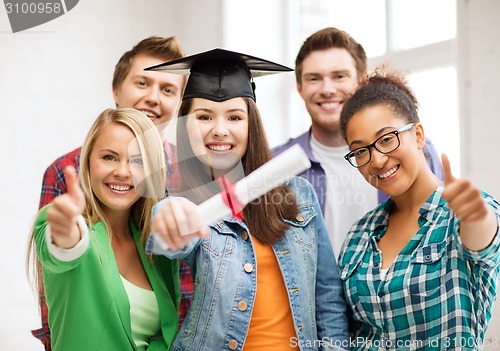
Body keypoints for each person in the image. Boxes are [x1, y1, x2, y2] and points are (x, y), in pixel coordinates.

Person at [145, 48, 349, 350]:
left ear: (250, 123)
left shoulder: (299, 195)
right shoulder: (180, 199)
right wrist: (169, 218)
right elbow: (172, 233)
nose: (220, 130)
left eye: (234, 117)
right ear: (185, 125)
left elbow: (328, 296)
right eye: (203, 117)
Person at [34, 36, 194, 349]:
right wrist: (65, 232)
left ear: (179, 104)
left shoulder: (192, 175)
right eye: (142, 82)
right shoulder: (65, 170)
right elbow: (57, 274)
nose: (153, 97)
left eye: (167, 89)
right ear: (117, 89)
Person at [337, 70, 500, 350]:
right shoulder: (359, 235)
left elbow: (483, 240)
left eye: (387, 139)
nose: (376, 160)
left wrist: (477, 216)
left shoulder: (460, 216)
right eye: (360, 151)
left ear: (418, 135)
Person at [273, 27, 444, 259]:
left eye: (339, 76)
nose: (327, 89)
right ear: (300, 88)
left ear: (362, 80)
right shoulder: (276, 165)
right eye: (314, 79)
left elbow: (440, 227)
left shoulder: (413, 151)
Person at [27, 108, 180, 351]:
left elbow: (163, 335)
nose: (122, 171)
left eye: (138, 161)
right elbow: (63, 248)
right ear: (88, 162)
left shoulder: (154, 245)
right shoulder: (73, 227)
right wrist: (66, 230)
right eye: (109, 157)